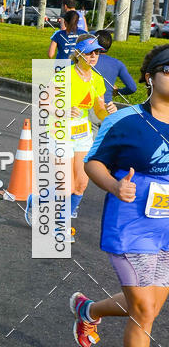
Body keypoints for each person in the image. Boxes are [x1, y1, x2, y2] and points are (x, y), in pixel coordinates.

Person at [72, 43, 169, 347]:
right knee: (144, 309)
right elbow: (91, 161)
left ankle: (89, 311)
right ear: (150, 76)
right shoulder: (126, 120)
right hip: (131, 223)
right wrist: (114, 186)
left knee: (146, 307)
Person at [68, 34, 117, 241]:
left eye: (97, 52)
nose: (94, 56)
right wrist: (61, 110)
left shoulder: (97, 80)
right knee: (65, 186)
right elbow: (45, 104)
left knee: (80, 184)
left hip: (82, 135)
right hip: (59, 134)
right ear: (78, 53)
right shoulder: (64, 75)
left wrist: (109, 110)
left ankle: (58, 213)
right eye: (90, 52)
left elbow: (98, 112)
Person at [93, 30, 138, 104]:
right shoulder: (117, 64)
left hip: (83, 106)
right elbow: (132, 88)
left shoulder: (83, 61)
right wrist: (117, 91)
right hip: (106, 108)